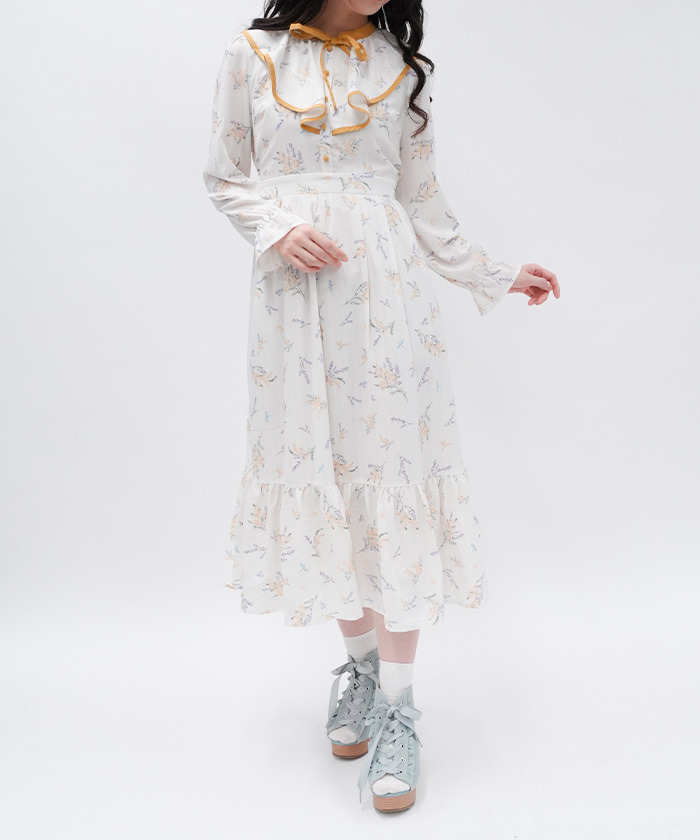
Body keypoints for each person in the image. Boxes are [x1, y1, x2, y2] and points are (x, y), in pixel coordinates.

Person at [202, 0, 559, 814]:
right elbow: (224, 177)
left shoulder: (397, 66)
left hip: (389, 302)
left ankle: (399, 710)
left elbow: (423, 204)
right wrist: (276, 227)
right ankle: (361, 672)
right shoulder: (250, 55)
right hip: (293, 307)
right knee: (328, 478)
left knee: (390, 480)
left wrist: (494, 273)